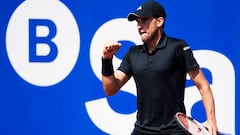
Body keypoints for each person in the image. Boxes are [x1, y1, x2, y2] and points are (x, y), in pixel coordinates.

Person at [101, 1, 218, 135]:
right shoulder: (133, 53)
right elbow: (110, 89)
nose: (140, 26)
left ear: (159, 21)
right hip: (141, 131)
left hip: (173, 131)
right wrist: (106, 60)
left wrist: (212, 121)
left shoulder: (178, 47)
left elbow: (203, 85)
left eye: (144, 20)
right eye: (137, 22)